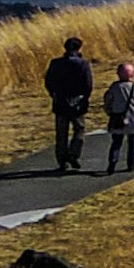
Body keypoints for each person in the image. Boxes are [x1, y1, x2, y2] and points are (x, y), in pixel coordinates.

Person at [44, 34, 94, 173]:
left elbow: (48, 81)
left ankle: (61, 161)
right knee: (79, 129)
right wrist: (85, 97)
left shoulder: (55, 63)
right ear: (79, 48)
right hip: (77, 101)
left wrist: (53, 94)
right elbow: (88, 84)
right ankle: (73, 154)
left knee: (61, 133)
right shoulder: (83, 64)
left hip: (60, 101)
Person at [103, 61, 134, 173]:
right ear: (132, 74)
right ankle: (131, 165)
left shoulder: (114, 87)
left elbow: (108, 101)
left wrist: (109, 112)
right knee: (133, 144)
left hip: (118, 118)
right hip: (133, 120)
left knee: (116, 142)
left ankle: (112, 162)